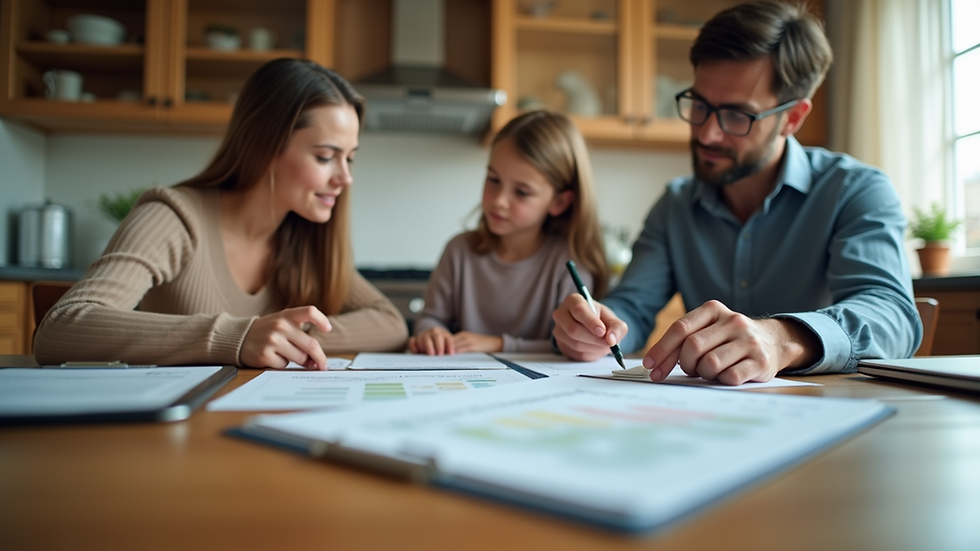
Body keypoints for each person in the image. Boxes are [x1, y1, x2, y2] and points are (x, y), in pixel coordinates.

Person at [552, 1, 921, 385]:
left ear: (791, 118)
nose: (706, 134)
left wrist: (782, 339)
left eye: (736, 116)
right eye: (700, 105)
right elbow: (633, 307)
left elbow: (892, 317)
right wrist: (596, 327)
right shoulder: (675, 205)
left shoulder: (855, 191)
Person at [34, 58, 408, 369]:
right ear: (265, 144)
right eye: (326, 157)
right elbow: (60, 327)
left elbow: (391, 323)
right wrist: (239, 335)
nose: (345, 178)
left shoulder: (305, 237)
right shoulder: (173, 216)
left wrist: (290, 337)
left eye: (350, 158)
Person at [409, 110, 608, 355]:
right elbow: (429, 319)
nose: (499, 201)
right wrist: (432, 333)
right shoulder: (459, 251)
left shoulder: (568, 263)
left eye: (522, 192)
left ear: (559, 203)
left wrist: (498, 345)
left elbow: (571, 343)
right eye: (493, 179)